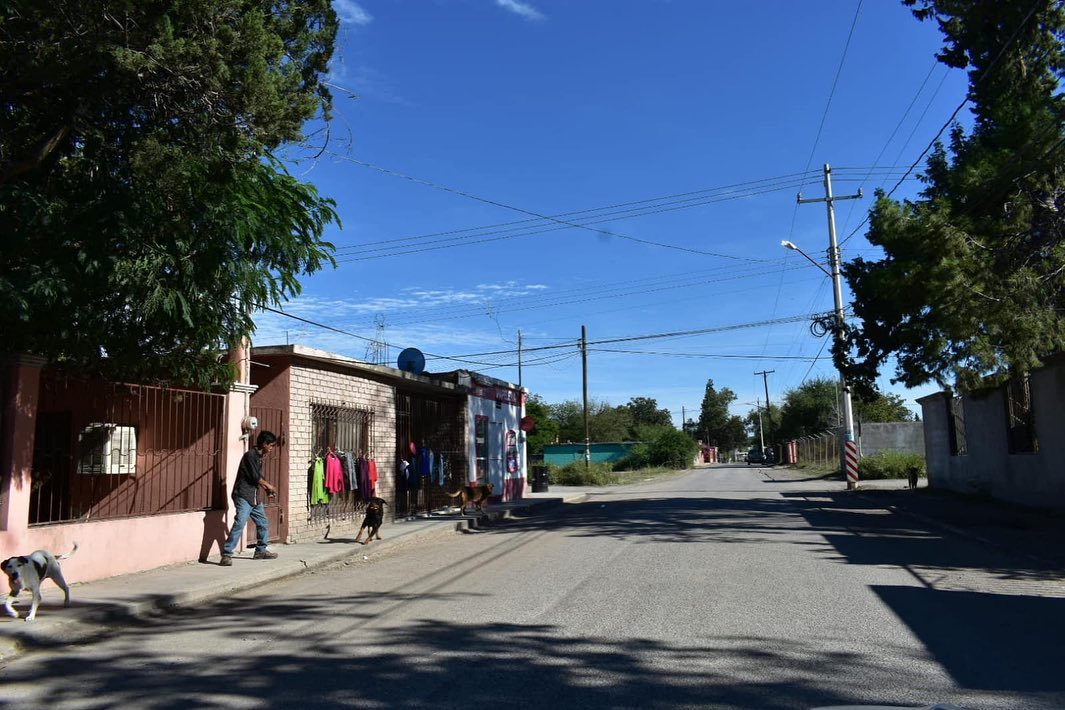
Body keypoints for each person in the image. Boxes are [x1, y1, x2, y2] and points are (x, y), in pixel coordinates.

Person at [220, 431, 279, 566]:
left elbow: (258, 478)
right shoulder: (250, 456)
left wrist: (266, 489)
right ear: (264, 444)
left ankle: (260, 551)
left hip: (254, 496)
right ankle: (227, 554)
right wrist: (269, 486)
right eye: (270, 445)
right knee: (240, 522)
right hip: (243, 495)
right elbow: (254, 476)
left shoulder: (258, 457)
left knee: (263, 523)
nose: (271, 449)